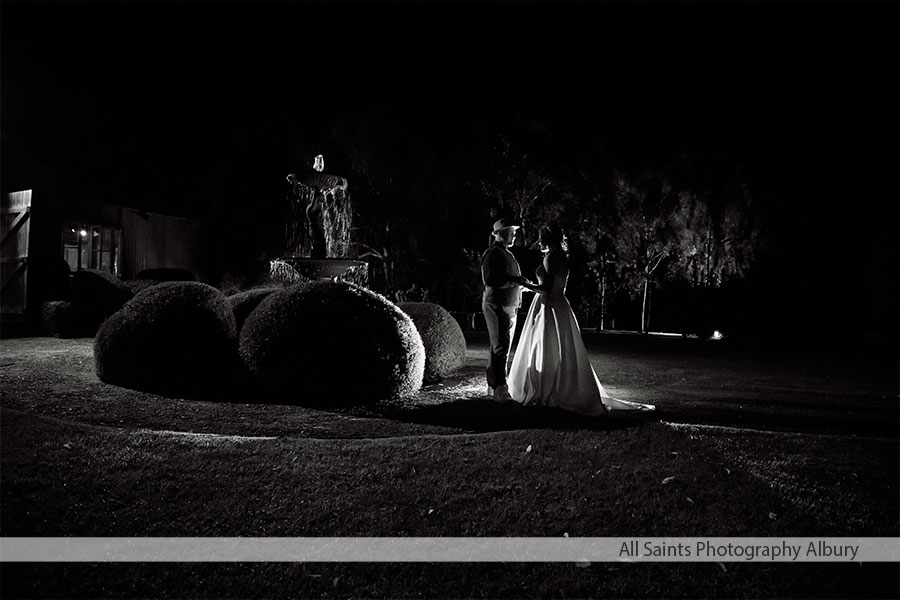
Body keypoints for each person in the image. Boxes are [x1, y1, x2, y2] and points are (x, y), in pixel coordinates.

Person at [509, 225, 654, 415]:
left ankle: (548, 388)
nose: (539, 242)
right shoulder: (559, 256)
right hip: (556, 304)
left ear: (548, 239)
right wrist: (531, 287)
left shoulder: (551, 257)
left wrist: (526, 284)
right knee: (554, 346)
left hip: (550, 305)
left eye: (541, 238)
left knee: (548, 344)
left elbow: (548, 289)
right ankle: (555, 384)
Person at [481, 217, 528, 403]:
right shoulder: (493, 253)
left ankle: (494, 386)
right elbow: (491, 280)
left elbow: (507, 279)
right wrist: (517, 281)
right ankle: (500, 387)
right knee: (501, 346)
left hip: (507, 304)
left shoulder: (505, 253)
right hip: (498, 304)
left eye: (514, 232)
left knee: (500, 346)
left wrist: (521, 284)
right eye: (511, 232)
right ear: (500, 234)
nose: (514, 235)